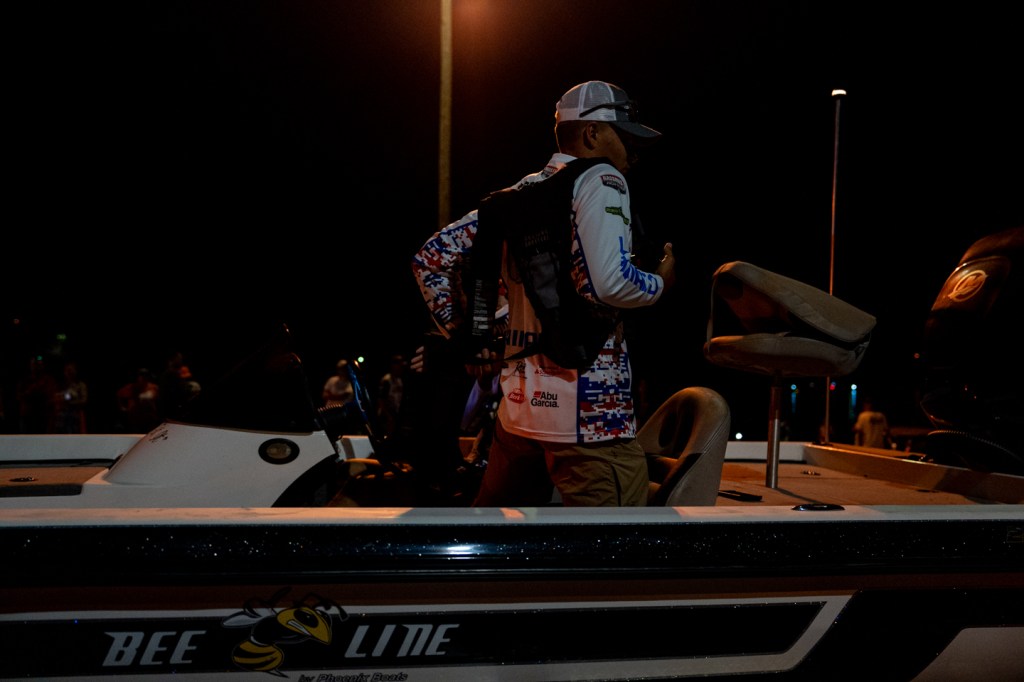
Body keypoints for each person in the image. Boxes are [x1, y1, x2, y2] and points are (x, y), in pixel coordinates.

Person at [412, 80, 676, 507]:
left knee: (496, 540)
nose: (632, 152)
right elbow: (607, 284)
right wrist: (660, 282)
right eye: (624, 137)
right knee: (614, 542)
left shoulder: (518, 194)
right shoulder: (602, 178)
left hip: (518, 415)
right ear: (592, 133)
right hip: (590, 420)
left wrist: (474, 338)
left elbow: (431, 258)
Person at [116, 368, 161, 433]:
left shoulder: (154, 387)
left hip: (150, 418)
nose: (143, 377)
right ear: (138, 377)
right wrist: (123, 407)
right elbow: (119, 394)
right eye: (141, 375)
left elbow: (158, 400)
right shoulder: (131, 387)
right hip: (135, 419)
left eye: (146, 375)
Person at [52, 361, 88, 434]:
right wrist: (65, 398)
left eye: (71, 370)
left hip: (76, 416)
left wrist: (70, 401)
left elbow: (83, 400)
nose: (69, 372)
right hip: (62, 418)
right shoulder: (60, 385)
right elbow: (56, 398)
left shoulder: (81, 385)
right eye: (67, 370)